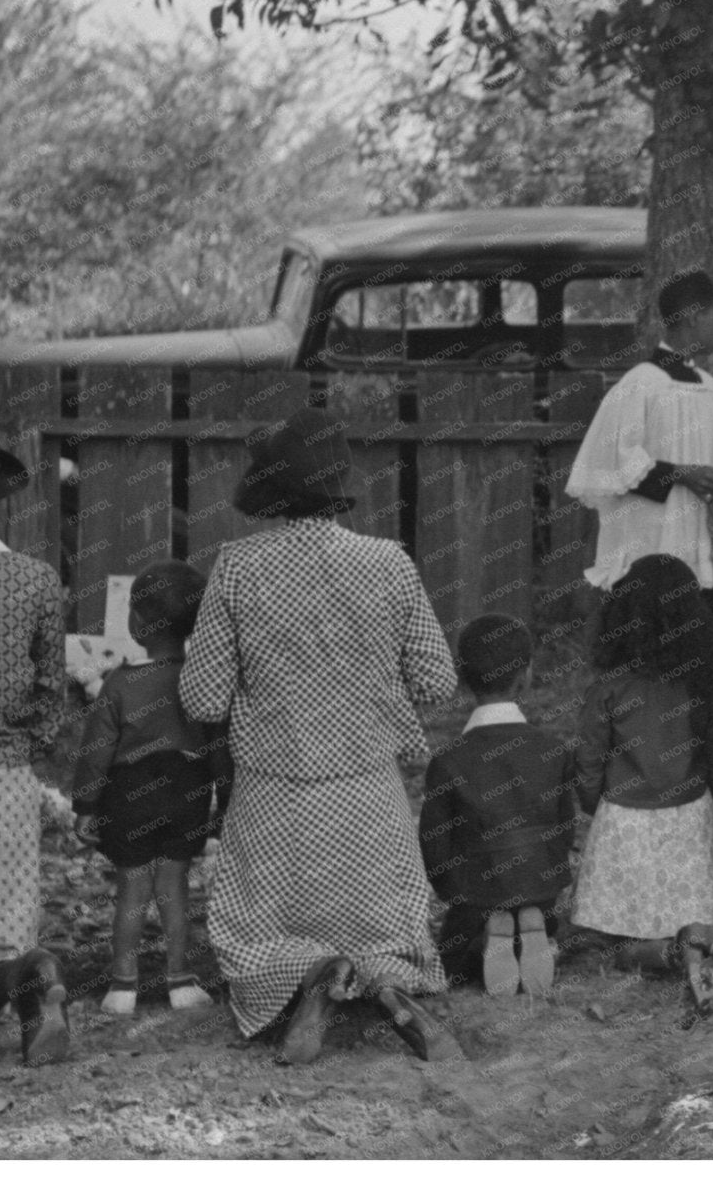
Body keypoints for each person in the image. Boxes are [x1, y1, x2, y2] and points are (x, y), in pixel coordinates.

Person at [182, 406, 464, 1064]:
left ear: (270, 487)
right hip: (369, 804)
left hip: (273, 807)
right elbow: (436, 682)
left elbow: (203, 696)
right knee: (391, 928)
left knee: (252, 933)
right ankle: (392, 988)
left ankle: (308, 977)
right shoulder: (389, 563)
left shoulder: (238, 567)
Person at [572, 554, 713, 997]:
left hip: (623, 818)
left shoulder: (608, 688)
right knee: (695, 915)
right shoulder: (705, 684)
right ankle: (695, 945)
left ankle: (654, 952)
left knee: (617, 938)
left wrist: (597, 807)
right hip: (688, 813)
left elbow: (589, 762)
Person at [71, 560, 229, 1015]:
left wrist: (85, 805)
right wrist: (224, 799)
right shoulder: (203, 680)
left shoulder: (120, 684)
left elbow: (96, 750)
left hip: (129, 796)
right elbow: (219, 745)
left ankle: (123, 986)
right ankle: (180, 981)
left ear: (137, 624)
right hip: (187, 793)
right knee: (175, 888)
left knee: (132, 890)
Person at [567, 270, 713, 628]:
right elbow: (614, 461)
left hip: (702, 541)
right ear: (694, 316)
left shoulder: (710, 388)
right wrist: (681, 474)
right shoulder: (640, 385)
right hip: (652, 541)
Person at [418, 614, 579, 998]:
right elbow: (564, 834)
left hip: (475, 891)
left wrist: (454, 891)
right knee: (537, 908)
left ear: (463, 677)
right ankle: (533, 926)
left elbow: (434, 848)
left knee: (453, 956)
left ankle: (491, 927)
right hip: (540, 884)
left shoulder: (449, 761)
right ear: (525, 676)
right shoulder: (553, 751)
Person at [0, 424, 73, 1066]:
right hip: (1, 782)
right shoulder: (34, 581)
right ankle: (28, 975)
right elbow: (51, 690)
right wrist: (21, 747)